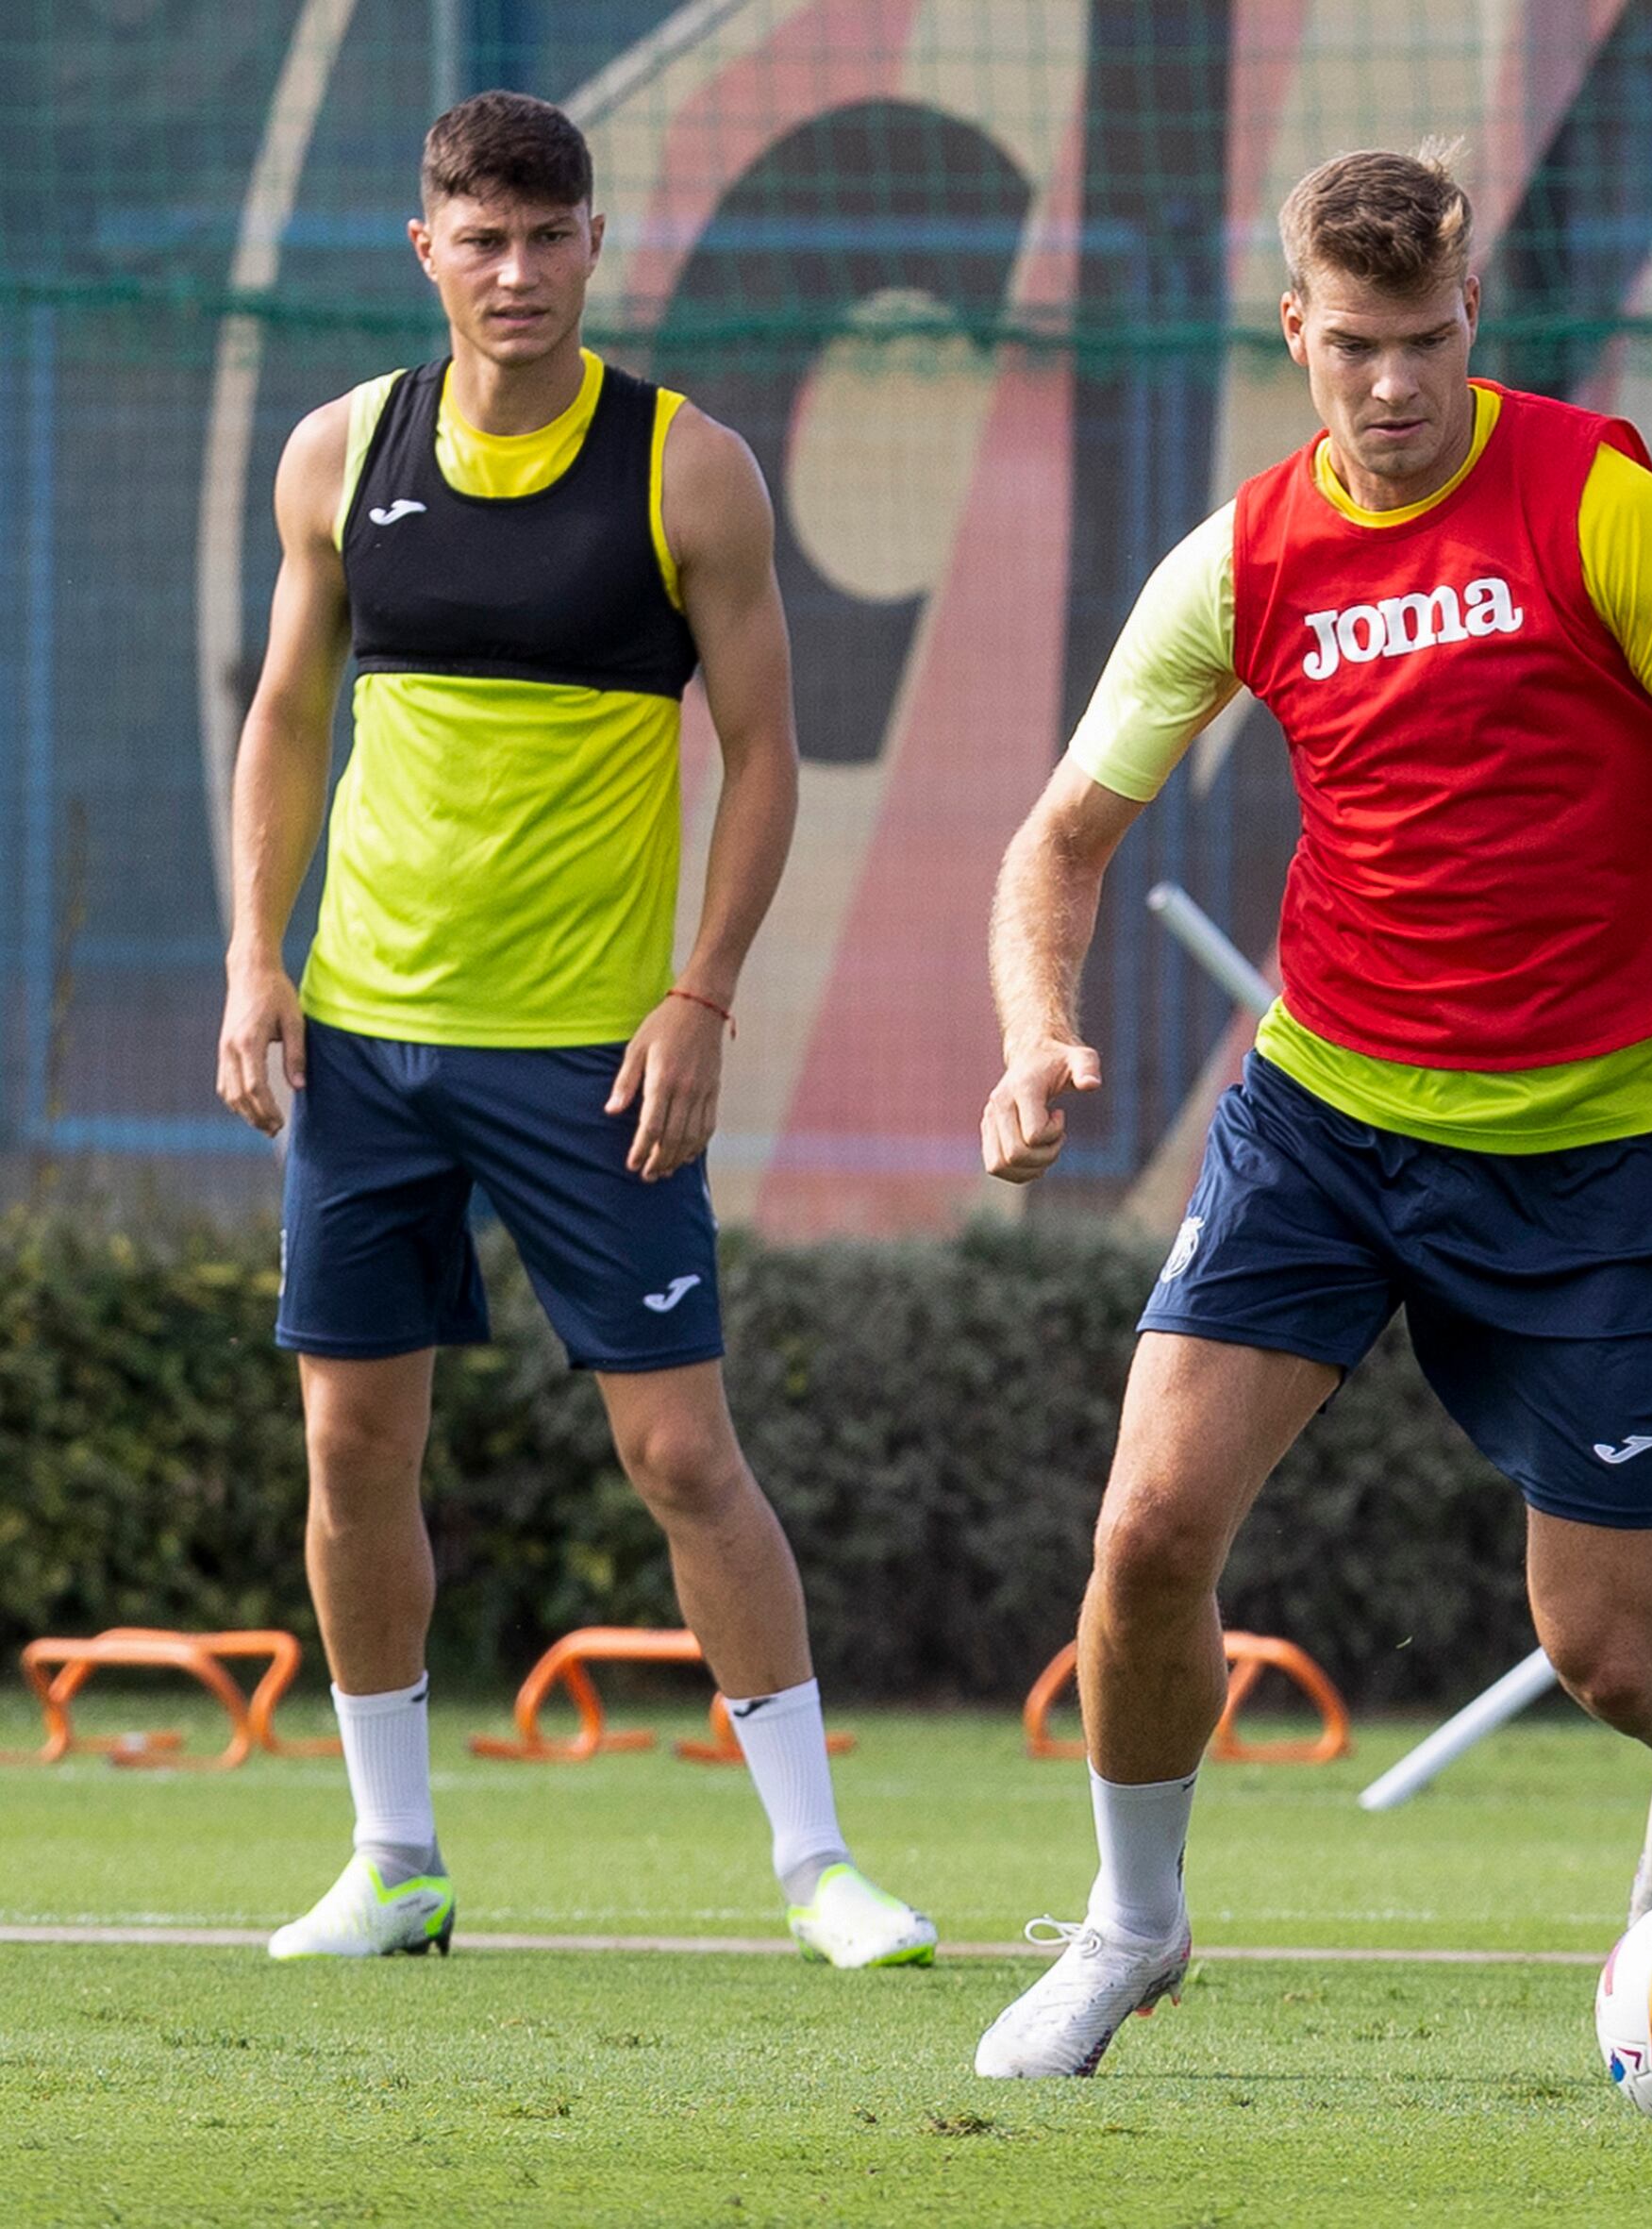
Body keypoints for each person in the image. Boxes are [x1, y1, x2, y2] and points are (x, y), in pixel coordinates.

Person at [972, 142, 1652, 2081]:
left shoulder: (1601, 511)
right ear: (1296, 331)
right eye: (1353, 344)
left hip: (1589, 1157)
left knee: (1607, 1648)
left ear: (1475, 318)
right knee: (1144, 1535)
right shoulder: (1237, 559)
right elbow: (1057, 844)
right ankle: (1131, 1919)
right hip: (1322, 1124)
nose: (1391, 384)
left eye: (1426, 339)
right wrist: (1035, 1034)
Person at [214, 92, 933, 1969]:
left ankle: (815, 1868)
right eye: (482, 238)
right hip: (367, 1046)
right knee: (350, 1445)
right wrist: (252, 957)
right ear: (426, 250)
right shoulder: (337, 453)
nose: (516, 273)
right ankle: (395, 1859)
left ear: (593, 245)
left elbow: (772, 754)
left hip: (592, 1058)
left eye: (549, 237)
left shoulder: (685, 472)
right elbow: (285, 718)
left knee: (683, 1458)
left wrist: (700, 995)